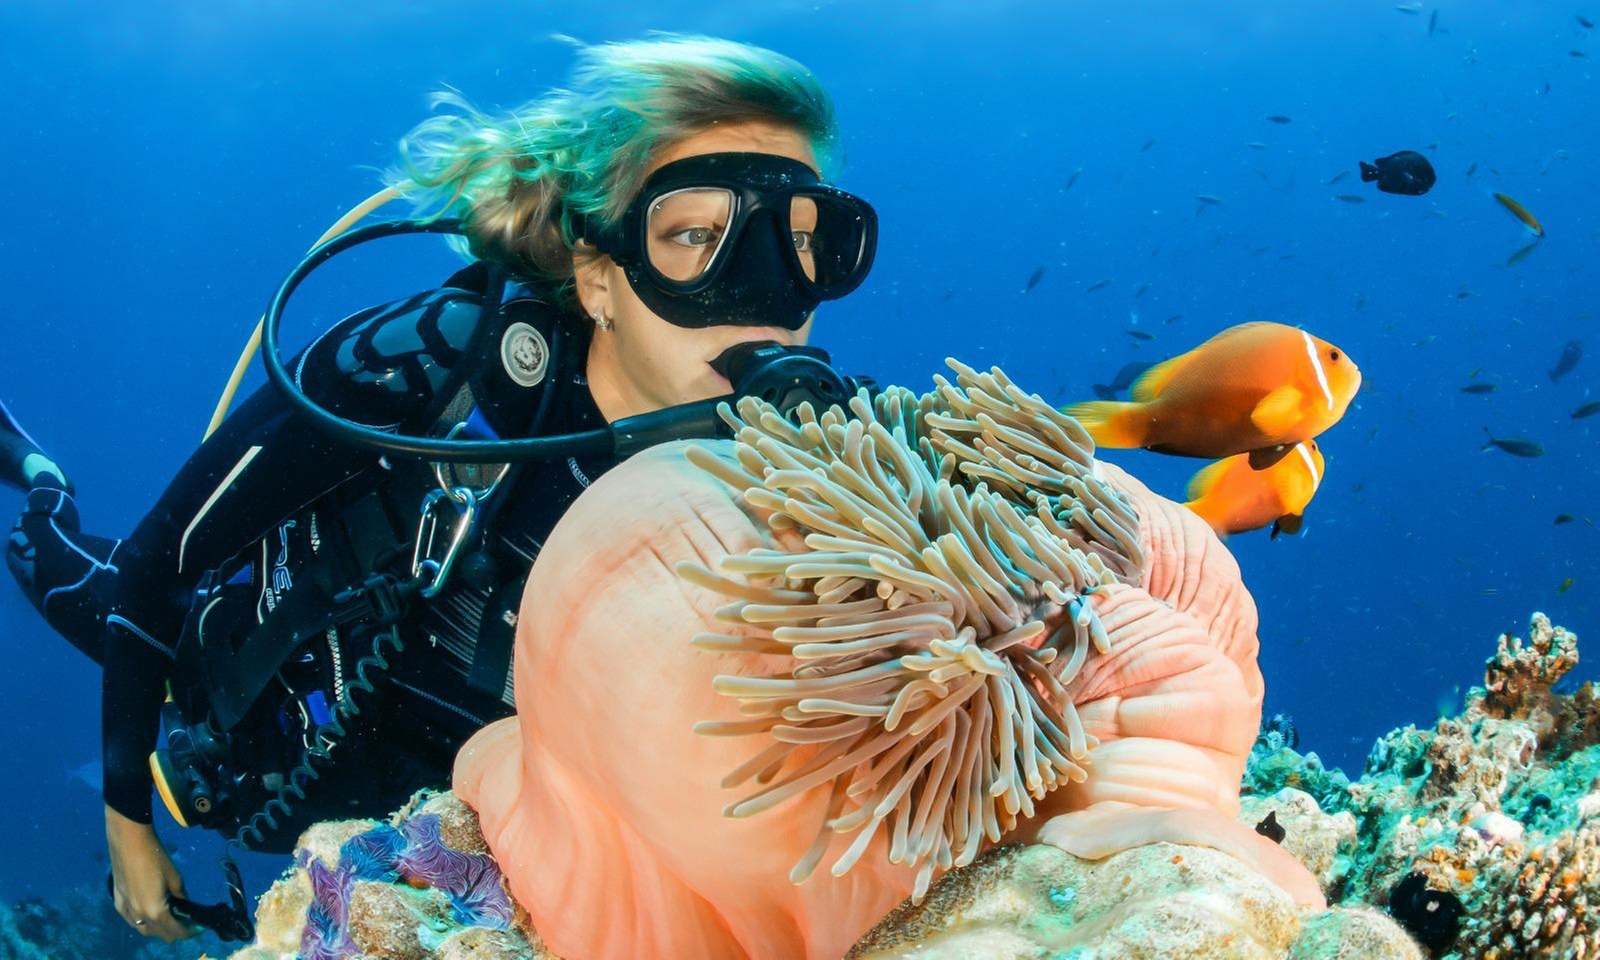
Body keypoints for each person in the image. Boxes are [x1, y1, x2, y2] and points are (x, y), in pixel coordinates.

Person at [2, 33, 878, 943]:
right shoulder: (426, 369)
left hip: (457, 813)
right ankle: (34, 475)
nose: (770, 293)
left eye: (807, 244)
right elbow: (157, 562)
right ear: (597, 274)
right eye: (697, 236)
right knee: (68, 574)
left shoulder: (802, 465)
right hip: (241, 685)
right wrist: (127, 827)